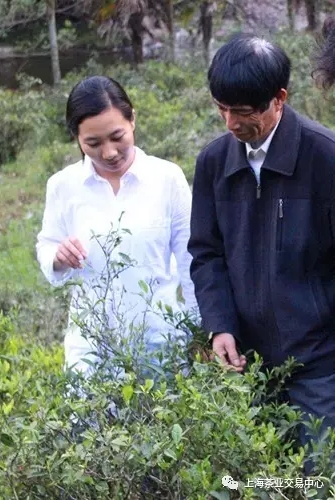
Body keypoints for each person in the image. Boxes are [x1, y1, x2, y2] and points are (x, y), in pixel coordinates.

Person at [188, 33, 335, 467]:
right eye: (222, 108)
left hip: (319, 369)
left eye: (243, 112)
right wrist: (219, 326)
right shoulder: (214, 162)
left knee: (315, 480)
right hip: (248, 367)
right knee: (256, 481)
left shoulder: (324, 157)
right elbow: (206, 254)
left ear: (280, 99)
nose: (230, 123)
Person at [36, 75, 197, 378]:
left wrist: (200, 330)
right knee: (87, 423)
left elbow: (191, 260)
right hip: (91, 346)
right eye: (92, 144)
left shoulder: (166, 178)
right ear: (77, 138)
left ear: (132, 120)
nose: (109, 152)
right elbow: (47, 244)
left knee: (162, 421)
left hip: (160, 340)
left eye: (117, 136)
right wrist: (57, 256)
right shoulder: (62, 186)